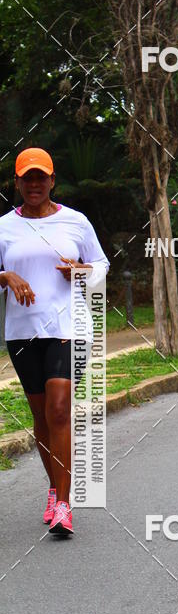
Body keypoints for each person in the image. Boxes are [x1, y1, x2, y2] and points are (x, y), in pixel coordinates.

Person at [0, 148, 109, 537]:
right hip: (22, 331)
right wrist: (5, 277)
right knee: (42, 416)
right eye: (27, 178)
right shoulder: (4, 227)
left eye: (40, 177)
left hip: (68, 326)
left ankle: (64, 504)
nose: (34, 184)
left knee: (60, 409)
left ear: (52, 181)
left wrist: (80, 271)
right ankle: (54, 486)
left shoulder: (75, 222)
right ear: (17, 183)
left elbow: (101, 266)